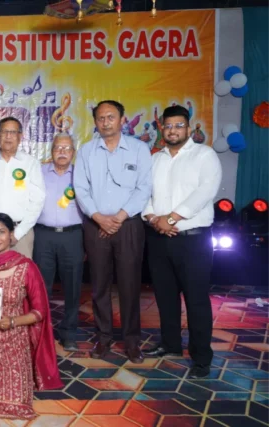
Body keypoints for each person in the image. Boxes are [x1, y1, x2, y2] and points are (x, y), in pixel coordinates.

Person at [142, 105, 222, 379]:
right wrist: (154, 218)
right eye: (168, 126)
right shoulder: (155, 159)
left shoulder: (204, 155)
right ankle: (170, 344)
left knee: (196, 299)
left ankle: (201, 357)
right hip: (158, 237)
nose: (173, 130)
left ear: (188, 128)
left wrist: (171, 218)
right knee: (165, 297)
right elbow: (145, 194)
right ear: (162, 129)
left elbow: (205, 191)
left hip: (192, 240)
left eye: (178, 125)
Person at [0, 213, 63, 420]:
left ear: (11, 234)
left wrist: (13, 321)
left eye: (1, 232)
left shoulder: (26, 266)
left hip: (14, 339)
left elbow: (40, 311)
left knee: (18, 405)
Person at [73, 100, 152, 364]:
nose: (105, 122)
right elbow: (81, 189)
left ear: (122, 120)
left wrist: (118, 218)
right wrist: (98, 218)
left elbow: (144, 187)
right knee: (99, 285)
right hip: (95, 224)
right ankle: (103, 338)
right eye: (101, 118)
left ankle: (132, 341)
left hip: (127, 224)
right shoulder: (86, 151)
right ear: (95, 122)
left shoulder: (139, 150)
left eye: (111, 117)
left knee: (130, 285)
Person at [33, 133, 84, 352]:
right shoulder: (39, 172)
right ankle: (43, 332)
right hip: (43, 235)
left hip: (72, 235)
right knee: (41, 287)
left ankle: (69, 333)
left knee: (72, 286)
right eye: (58, 148)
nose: (62, 152)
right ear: (51, 151)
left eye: (67, 148)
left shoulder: (81, 174)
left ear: (73, 152)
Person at [0, 117, 45, 258]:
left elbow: (37, 201)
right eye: (4, 132)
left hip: (21, 234)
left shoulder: (31, 163)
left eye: (13, 132)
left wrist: (18, 233)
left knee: (20, 272)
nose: (8, 136)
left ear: (20, 136)